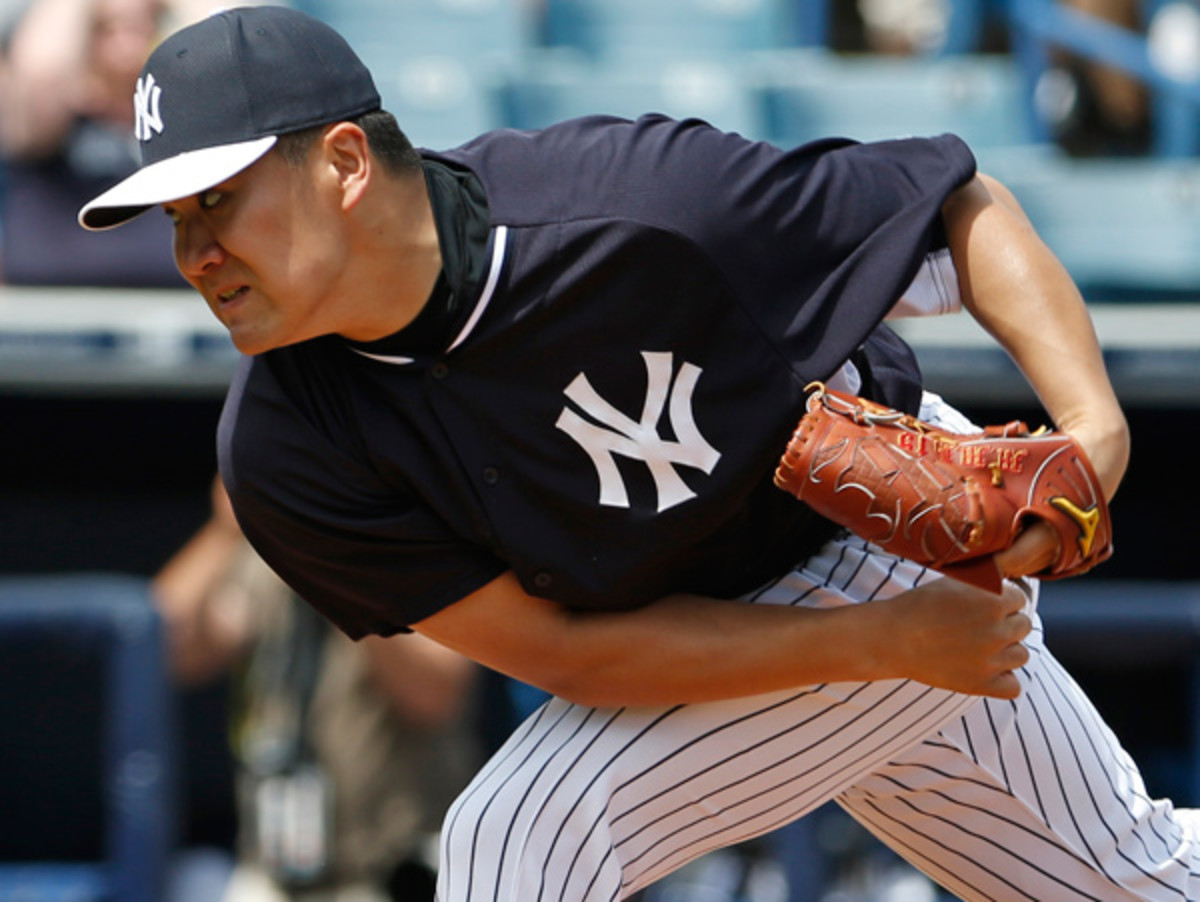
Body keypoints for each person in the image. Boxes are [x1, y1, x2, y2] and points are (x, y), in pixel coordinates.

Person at [75, 7, 1185, 901]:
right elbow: (572, 654)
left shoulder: (637, 208)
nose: (195, 253)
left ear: (347, 162)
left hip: (887, 541)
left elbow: (959, 209)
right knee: (1133, 879)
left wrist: (1096, 429)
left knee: (519, 839)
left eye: (217, 199)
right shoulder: (284, 449)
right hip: (807, 622)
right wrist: (883, 645)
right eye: (171, 217)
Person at [152, 476, 482, 901]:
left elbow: (432, 696)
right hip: (273, 873)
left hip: (391, 874)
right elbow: (163, 648)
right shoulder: (267, 552)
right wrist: (226, 527)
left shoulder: (417, 542)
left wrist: (338, 553)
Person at [0, 0, 226, 285]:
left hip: (178, 314)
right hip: (50, 316)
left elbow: (228, 56)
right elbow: (43, 77)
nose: (126, 44)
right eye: (106, 29)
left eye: (141, 27)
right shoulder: (49, 121)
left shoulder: (184, 114)